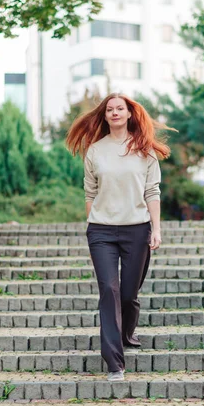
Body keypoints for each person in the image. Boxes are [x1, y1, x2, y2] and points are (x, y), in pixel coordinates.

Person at [66, 93, 174, 381]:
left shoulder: (145, 150)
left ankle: (126, 332)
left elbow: (152, 192)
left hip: (137, 229)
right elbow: (90, 192)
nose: (114, 113)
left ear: (129, 114)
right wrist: (92, 222)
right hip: (101, 231)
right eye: (110, 109)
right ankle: (115, 363)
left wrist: (157, 228)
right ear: (104, 116)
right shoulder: (95, 151)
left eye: (120, 109)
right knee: (109, 291)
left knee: (128, 294)